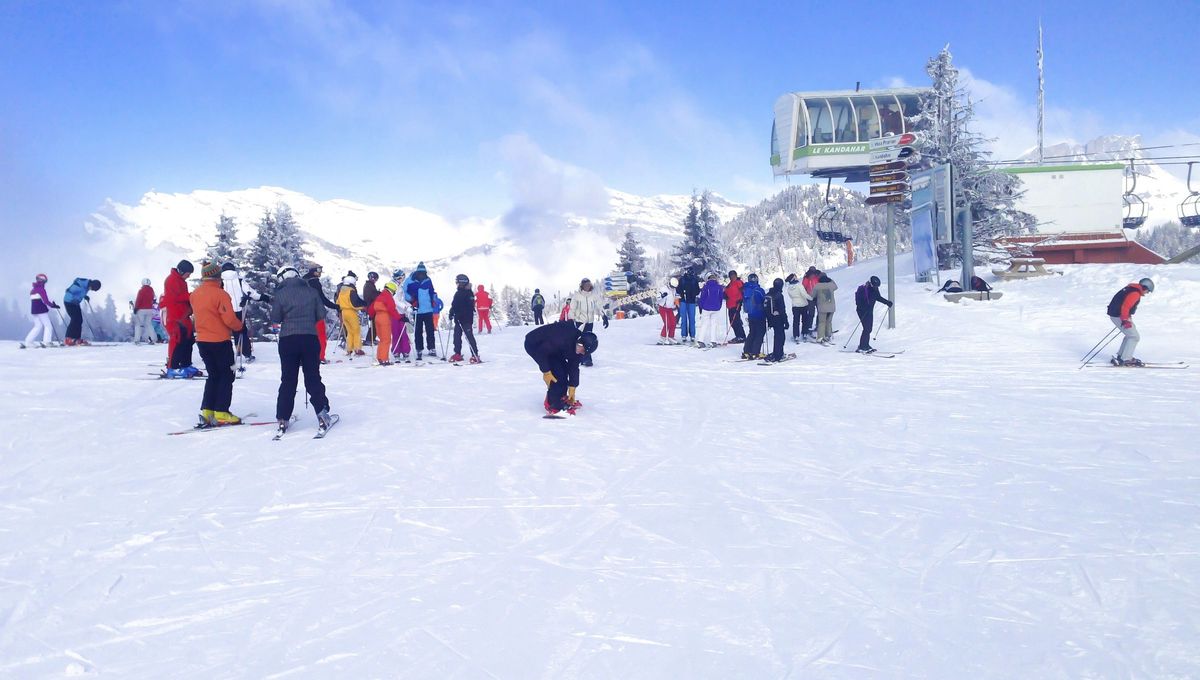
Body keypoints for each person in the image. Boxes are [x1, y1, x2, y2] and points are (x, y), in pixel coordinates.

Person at [270, 265, 335, 433]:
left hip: (287, 340)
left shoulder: (280, 294)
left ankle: (283, 418)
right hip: (309, 338)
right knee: (313, 377)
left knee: (288, 380)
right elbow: (321, 314)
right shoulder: (311, 291)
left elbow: (276, 318)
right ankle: (322, 413)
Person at [191, 262, 244, 425]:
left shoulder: (195, 294)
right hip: (219, 340)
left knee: (213, 375)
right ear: (217, 276)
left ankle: (207, 410)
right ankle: (221, 411)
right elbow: (228, 319)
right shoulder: (221, 294)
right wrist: (239, 326)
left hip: (202, 340)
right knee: (227, 374)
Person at [524, 320, 598, 415]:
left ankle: (561, 397)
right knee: (557, 374)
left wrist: (573, 386)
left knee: (564, 369)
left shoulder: (578, 349)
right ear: (579, 340)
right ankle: (553, 404)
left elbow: (574, 367)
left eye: (583, 352)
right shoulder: (562, 339)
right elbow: (541, 353)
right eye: (580, 347)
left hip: (554, 349)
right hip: (535, 344)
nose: (580, 351)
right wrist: (546, 371)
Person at [220, 261, 270, 362]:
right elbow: (252, 293)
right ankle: (246, 354)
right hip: (239, 310)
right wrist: (263, 297)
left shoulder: (220, 282)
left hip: (224, 311)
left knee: (223, 332)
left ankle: (223, 354)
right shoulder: (239, 281)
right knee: (241, 331)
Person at [163, 260, 201, 375]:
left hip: (183, 315)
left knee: (188, 339)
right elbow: (176, 297)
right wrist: (192, 295)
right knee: (178, 340)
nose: (189, 276)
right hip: (175, 316)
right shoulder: (171, 280)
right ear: (182, 271)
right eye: (188, 273)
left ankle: (186, 365)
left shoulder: (181, 281)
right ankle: (172, 367)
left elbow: (182, 297)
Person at [1107, 277, 1154, 366]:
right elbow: (1125, 306)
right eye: (1148, 291)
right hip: (1119, 315)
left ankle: (1121, 356)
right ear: (1145, 287)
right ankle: (1126, 359)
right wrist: (1125, 320)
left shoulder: (1130, 289)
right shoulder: (1135, 293)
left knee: (1130, 335)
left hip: (1116, 314)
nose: (1146, 293)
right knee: (1134, 336)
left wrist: (1127, 318)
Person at [566, 277, 610, 367]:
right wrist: (571, 320)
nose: (587, 286)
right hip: (579, 321)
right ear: (582, 286)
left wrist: (604, 316)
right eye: (585, 285)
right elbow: (572, 309)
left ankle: (584, 359)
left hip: (589, 321)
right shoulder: (577, 296)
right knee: (580, 340)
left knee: (588, 341)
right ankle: (584, 359)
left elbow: (599, 306)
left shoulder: (593, 296)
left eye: (588, 285)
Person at [302, 264, 339, 363]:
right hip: (315, 313)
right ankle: (320, 357)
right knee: (321, 336)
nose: (319, 273)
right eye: (318, 271)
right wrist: (336, 306)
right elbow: (322, 299)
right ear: (314, 271)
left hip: (302, 314)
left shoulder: (302, 281)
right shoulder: (314, 282)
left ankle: (304, 358)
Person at [404, 262, 439, 359]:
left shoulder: (428, 279)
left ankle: (431, 348)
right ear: (417, 271)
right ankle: (419, 349)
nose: (422, 274)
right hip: (417, 310)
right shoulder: (410, 280)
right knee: (418, 331)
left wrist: (433, 299)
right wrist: (411, 300)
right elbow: (405, 292)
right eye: (420, 272)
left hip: (428, 309)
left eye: (423, 272)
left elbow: (432, 291)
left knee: (430, 330)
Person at [854, 275, 893, 353]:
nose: (876, 287)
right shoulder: (863, 289)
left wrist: (887, 302)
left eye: (877, 286)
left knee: (869, 329)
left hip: (869, 311)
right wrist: (865, 307)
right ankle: (862, 347)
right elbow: (858, 302)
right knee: (867, 328)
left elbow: (878, 297)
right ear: (871, 283)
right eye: (875, 286)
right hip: (862, 311)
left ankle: (866, 345)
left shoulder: (874, 289)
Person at [449, 274, 482, 363]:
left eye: (457, 282)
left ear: (462, 282)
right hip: (458, 319)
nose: (457, 284)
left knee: (469, 336)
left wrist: (460, 314)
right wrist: (452, 312)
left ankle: (475, 354)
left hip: (466, 319)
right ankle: (457, 353)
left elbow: (469, 306)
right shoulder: (457, 293)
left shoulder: (469, 293)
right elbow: (454, 304)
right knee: (456, 336)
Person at [21, 273, 59, 349]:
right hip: (41, 310)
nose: (45, 283)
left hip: (34, 310)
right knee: (48, 325)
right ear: (42, 281)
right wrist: (53, 305)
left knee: (38, 326)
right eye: (45, 281)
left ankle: (28, 342)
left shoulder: (33, 290)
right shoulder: (41, 289)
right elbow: (45, 301)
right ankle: (47, 342)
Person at [335, 271, 367, 358]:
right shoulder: (351, 291)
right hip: (351, 312)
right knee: (356, 331)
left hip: (343, 312)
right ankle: (357, 349)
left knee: (350, 332)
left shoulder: (342, 290)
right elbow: (354, 303)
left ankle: (349, 349)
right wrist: (362, 307)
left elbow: (337, 302)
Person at [62, 276, 101, 346]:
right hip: (69, 302)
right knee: (74, 319)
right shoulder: (81, 285)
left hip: (75, 303)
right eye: (93, 289)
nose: (92, 290)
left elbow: (82, 292)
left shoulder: (87, 286)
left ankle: (76, 339)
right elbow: (70, 290)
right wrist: (72, 297)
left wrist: (85, 296)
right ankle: (68, 339)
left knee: (80, 320)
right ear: (92, 284)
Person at [369, 281, 400, 365]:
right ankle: (384, 359)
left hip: (377, 318)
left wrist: (371, 315)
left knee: (382, 339)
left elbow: (372, 307)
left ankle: (380, 357)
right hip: (384, 318)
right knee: (386, 339)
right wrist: (400, 318)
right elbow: (392, 309)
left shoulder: (380, 296)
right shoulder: (388, 296)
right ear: (392, 290)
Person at [740, 274, 767, 359]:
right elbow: (764, 300)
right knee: (760, 333)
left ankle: (747, 351)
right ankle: (756, 352)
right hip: (759, 314)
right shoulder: (759, 290)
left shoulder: (746, 289)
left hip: (750, 314)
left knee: (752, 332)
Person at [696, 272, 725, 348]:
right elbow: (721, 298)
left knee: (704, 324)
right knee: (714, 324)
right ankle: (713, 341)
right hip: (716, 308)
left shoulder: (706, 286)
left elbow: (702, 298)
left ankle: (700, 341)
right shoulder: (719, 287)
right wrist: (719, 306)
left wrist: (701, 307)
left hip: (706, 308)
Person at [765, 277, 789, 361]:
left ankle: (776, 352)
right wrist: (786, 321)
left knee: (777, 336)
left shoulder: (768, 294)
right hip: (778, 318)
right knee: (780, 336)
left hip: (771, 318)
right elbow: (782, 309)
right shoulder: (779, 295)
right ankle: (779, 355)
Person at [785, 273, 811, 344]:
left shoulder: (789, 288)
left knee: (796, 321)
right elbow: (804, 294)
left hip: (795, 305)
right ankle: (804, 333)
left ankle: (796, 335)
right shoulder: (799, 285)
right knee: (805, 320)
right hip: (803, 304)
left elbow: (791, 296)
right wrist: (811, 298)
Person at [812, 272, 838, 344]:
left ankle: (820, 337)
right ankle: (828, 335)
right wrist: (830, 280)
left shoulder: (817, 286)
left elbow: (812, 295)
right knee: (829, 322)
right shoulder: (831, 285)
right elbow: (836, 286)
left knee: (822, 322)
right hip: (831, 307)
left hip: (822, 307)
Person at [676, 269, 701, 344]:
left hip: (692, 301)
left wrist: (692, 293)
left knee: (692, 319)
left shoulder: (694, 280)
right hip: (683, 301)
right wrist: (682, 293)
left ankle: (692, 335)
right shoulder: (682, 279)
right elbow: (678, 289)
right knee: (684, 318)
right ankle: (684, 335)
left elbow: (697, 291)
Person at [132, 278, 157, 344]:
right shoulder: (152, 290)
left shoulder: (141, 290)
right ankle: (153, 339)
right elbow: (154, 299)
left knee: (138, 324)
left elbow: (138, 300)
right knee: (149, 324)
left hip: (141, 310)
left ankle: (137, 340)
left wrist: (135, 308)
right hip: (150, 309)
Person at [724, 270, 746, 342]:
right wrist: (725, 295)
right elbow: (726, 292)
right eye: (731, 276)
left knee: (736, 320)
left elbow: (743, 291)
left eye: (733, 275)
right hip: (730, 304)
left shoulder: (738, 282)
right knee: (732, 321)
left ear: (736, 275)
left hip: (736, 304)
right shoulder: (730, 284)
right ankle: (738, 336)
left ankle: (741, 336)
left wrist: (741, 300)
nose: (732, 277)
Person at [656, 277, 678, 345]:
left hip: (669, 308)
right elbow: (657, 298)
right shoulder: (664, 289)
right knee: (667, 323)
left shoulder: (674, 290)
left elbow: (675, 297)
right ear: (670, 284)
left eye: (674, 287)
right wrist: (662, 296)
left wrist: (676, 305)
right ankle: (662, 338)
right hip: (663, 308)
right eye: (672, 286)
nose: (673, 287)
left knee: (673, 323)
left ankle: (671, 337)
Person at [801, 266, 820, 340]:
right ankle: (810, 327)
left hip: (816, 296)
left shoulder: (816, 276)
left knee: (817, 312)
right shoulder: (807, 277)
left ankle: (816, 326)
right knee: (812, 313)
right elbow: (803, 287)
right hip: (811, 297)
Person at [362, 272, 381, 345]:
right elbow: (372, 296)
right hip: (371, 306)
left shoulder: (369, 285)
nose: (375, 280)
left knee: (374, 323)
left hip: (370, 306)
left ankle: (371, 338)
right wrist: (379, 293)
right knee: (374, 323)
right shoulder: (369, 285)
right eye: (375, 278)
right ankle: (369, 339)